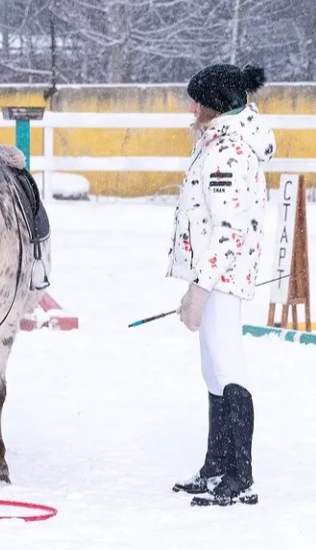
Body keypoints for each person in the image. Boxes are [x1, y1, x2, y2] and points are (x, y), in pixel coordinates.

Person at [166, 64, 275, 506]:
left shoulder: (227, 152)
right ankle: (216, 465)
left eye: (196, 102)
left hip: (222, 279)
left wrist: (201, 288)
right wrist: (196, 282)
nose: (191, 109)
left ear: (214, 105)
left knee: (229, 369)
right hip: (212, 276)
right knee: (213, 371)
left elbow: (227, 231)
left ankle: (240, 476)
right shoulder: (215, 141)